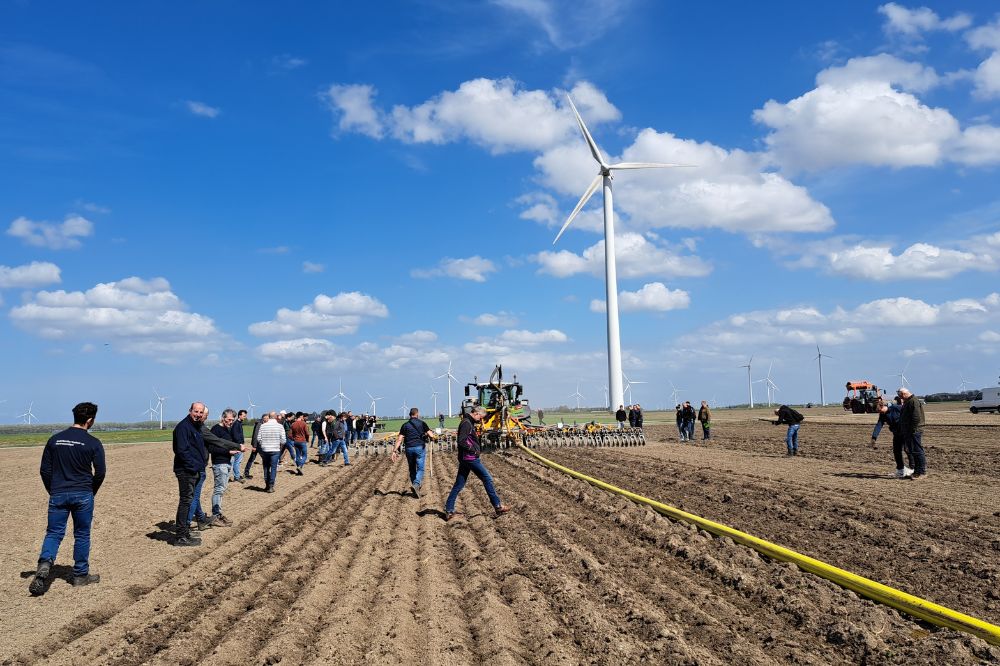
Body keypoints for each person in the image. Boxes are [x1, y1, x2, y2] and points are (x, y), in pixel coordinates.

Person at [29, 402, 106, 595]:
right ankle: (80, 575)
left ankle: (45, 563)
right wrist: (91, 491)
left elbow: (44, 470)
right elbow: (100, 472)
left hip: (58, 493)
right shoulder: (93, 443)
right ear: (90, 420)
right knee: (82, 534)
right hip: (83, 494)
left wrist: (53, 490)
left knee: (54, 533)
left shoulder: (54, 440)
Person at [445, 406, 510, 521]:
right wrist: (473, 450)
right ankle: (498, 506)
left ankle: (449, 510)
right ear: (476, 413)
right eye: (480, 417)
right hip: (470, 458)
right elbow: (461, 440)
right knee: (487, 479)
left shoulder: (467, 422)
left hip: (465, 458)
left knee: (459, 484)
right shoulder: (466, 423)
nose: (481, 420)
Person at [172, 402, 212, 546]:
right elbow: (181, 451)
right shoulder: (183, 427)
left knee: (188, 502)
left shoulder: (195, 426)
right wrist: (194, 467)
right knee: (185, 501)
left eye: (201, 412)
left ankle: (185, 533)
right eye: (196, 411)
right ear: (190, 411)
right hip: (186, 471)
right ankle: (181, 537)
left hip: (192, 470)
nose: (198, 414)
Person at [209, 409, 243, 526]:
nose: (231, 422)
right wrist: (228, 452)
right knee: (219, 490)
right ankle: (216, 516)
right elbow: (211, 448)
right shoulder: (215, 429)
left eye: (233, 420)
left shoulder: (228, 429)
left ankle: (218, 514)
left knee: (222, 489)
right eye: (229, 419)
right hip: (220, 463)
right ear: (223, 418)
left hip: (227, 462)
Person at [393, 407, 437, 498]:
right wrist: (432, 437)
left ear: (410, 414)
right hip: (419, 447)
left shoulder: (405, 425)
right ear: (417, 414)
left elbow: (399, 439)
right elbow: (431, 435)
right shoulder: (422, 423)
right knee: (420, 468)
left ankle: (415, 487)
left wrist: (394, 451)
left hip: (409, 448)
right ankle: (416, 484)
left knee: (412, 468)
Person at [872, 395, 911, 478]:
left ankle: (913, 468)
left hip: (905, 433)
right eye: (878, 411)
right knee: (896, 451)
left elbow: (909, 413)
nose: (879, 412)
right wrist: (874, 437)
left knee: (907, 449)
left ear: (882, 406)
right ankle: (900, 470)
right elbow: (879, 425)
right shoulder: (882, 415)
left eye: (879, 410)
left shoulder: (896, 408)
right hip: (896, 434)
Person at [898, 388, 927, 479]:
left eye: (901, 396)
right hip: (910, 431)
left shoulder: (913, 401)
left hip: (914, 431)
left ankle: (921, 472)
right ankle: (916, 471)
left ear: (904, 394)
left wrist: (912, 430)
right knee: (913, 451)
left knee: (917, 451)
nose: (901, 398)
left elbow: (916, 417)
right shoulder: (909, 401)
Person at [255, 410, 286, 492]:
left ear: (269, 416)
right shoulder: (280, 426)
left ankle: (267, 485)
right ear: (276, 417)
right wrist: (279, 445)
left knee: (266, 467)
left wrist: (263, 445)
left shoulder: (263, 426)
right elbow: (283, 440)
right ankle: (271, 485)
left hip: (265, 450)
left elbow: (258, 438)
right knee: (273, 468)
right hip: (275, 449)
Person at [244, 414, 265, 479]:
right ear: (263, 418)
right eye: (266, 418)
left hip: (258, 444)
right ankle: (246, 473)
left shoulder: (261, 423)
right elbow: (256, 435)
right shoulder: (259, 424)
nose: (267, 420)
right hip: (258, 445)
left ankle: (246, 473)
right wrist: (254, 446)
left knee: (252, 458)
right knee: (263, 459)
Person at [230, 409, 247, 483]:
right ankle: (237, 477)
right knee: (237, 461)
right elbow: (235, 435)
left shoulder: (238, 423)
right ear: (239, 415)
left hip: (238, 445)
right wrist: (240, 444)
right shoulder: (236, 424)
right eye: (244, 416)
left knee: (236, 461)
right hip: (238, 445)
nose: (245, 417)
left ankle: (237, 475)